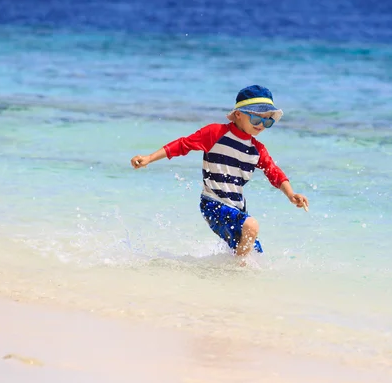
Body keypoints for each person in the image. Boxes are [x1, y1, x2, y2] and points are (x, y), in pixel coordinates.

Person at [130, 85, 309, 259]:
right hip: (212, 204)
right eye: (256, 119)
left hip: (238, 210)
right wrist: (149, 158)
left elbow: (274, 172)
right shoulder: (215, 133)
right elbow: (183, 145)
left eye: (267, 120)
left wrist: (291, 194)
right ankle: (235, 273)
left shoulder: (257, 150)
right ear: (238, 114)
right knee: (251, 227)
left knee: (256, 258)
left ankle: (228, 281)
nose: (261, 125)